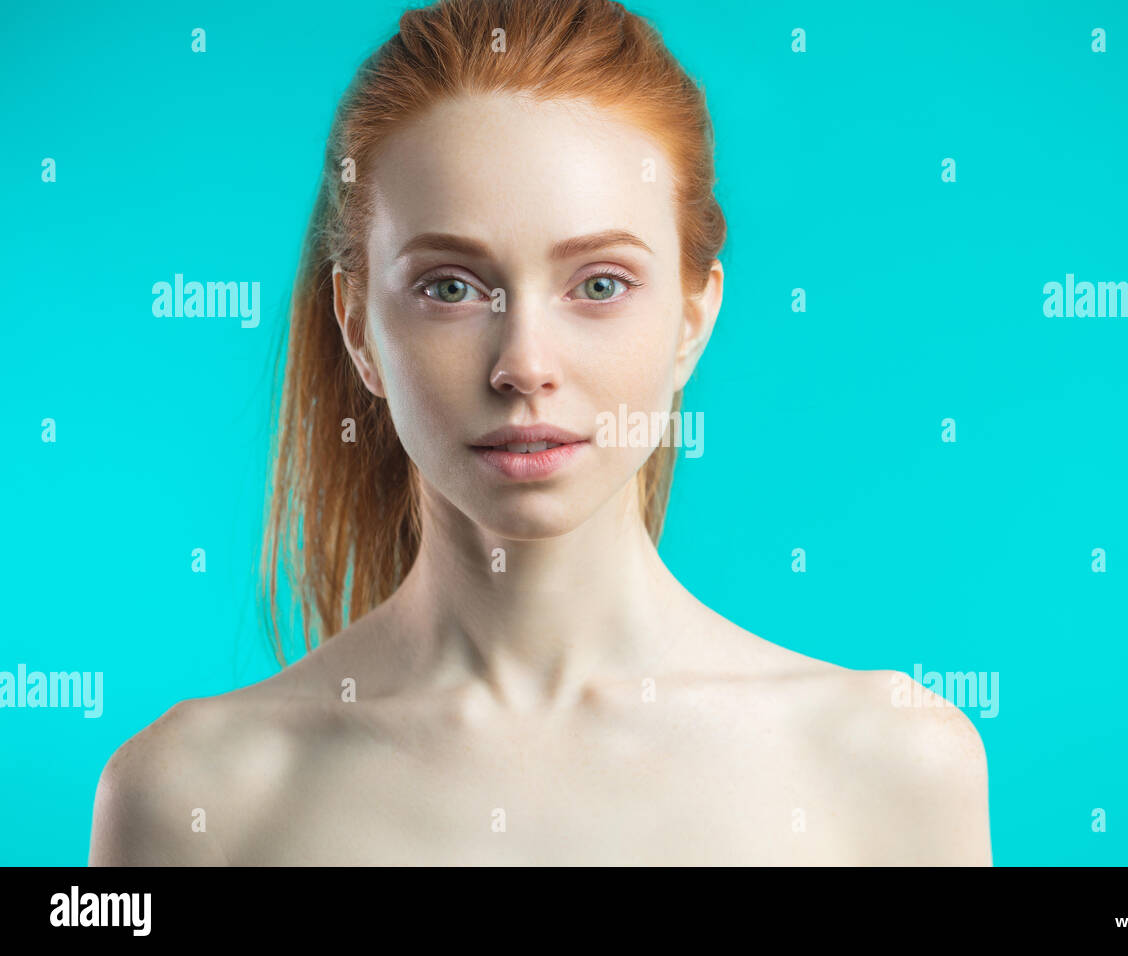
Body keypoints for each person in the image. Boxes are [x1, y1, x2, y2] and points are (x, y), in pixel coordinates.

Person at [89, 0, 991, 866]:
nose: (524, 363)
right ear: (358, 327)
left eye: (599, 284)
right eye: (450, 286)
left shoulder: (892, 768)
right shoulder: (188, 797)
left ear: (691, 318)